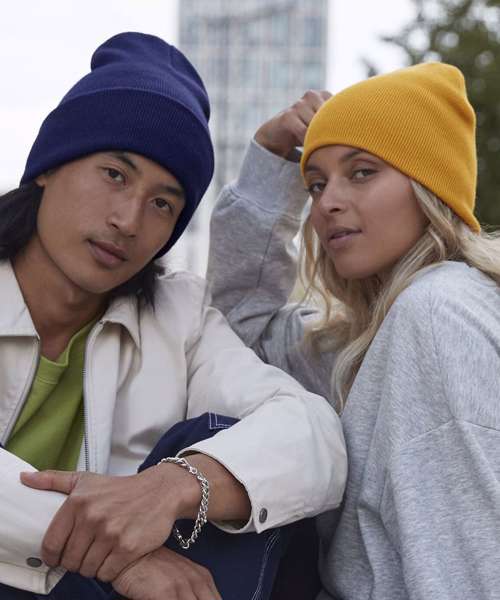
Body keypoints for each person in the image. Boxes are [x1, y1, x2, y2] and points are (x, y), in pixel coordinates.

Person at [0, 32, 347, 600]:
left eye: (163, 203)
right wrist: (118, 557)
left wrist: (175, 486)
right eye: (115, 174)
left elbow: (314, 434)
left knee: (223, 451)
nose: (128, 220)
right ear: (48, 166)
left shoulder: (177, 313)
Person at [207, 62, 500, 599]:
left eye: (362, 172)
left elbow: (466, 570)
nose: (327, 204)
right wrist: (270, 161)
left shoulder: (438, 313)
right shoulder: (363, 343)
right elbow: (238, 334)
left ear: (429, 186)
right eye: (316, 184)